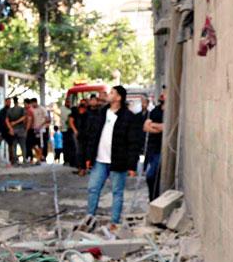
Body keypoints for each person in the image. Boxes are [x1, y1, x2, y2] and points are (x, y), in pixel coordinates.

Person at [84, 84, 145, 230]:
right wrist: (88, 157)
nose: (108, 95)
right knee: (93, 188)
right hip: (100, 160)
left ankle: (114, 222)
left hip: (118, 161)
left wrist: (132, 165)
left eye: (111, 92)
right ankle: (89, 217)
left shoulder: (128, 117)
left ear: (118, 97)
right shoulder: (102, 113)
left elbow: (133, 142)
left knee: (117, 192)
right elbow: (92, 136)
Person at [143, 88, 166, 200]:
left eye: (165, 92)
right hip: (154, 150)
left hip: (164, 149)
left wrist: (155, 125)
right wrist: (160, 127)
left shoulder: (171, 112)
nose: (162, 94)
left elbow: (167, 127)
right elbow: (146, 127)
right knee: (151, 176)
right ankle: (153, 199)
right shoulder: (155, 111)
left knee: (155, 175)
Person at [66, 98, 88, 172]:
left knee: (83, 151)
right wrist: (75, 131)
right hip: (77, 134)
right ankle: (79, 167)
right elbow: (71, 121)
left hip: (85, 134)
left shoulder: (87, 113)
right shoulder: (75, 112)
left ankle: (83, 168)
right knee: (78, 151)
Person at [4, 96, 26, 165]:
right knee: (23, 145)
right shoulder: (21, 109)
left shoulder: (9, 110)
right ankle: (24, 160)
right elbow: (24, 117)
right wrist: (16, 122)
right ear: (18, 101)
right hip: (21, 129)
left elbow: (6, 120)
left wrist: (10, 128)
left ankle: (15, 161)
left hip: (13, 130)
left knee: (14, 146)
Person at [0, 97, 14, 164]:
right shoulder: (1, 111)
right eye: (8, 102)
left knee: (11, 146)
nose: (9, 103)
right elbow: (1, 121)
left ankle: (11, 160)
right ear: (5, 102)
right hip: (2, 131)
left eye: (10, 102)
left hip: (9, 131)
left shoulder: (12, 110)